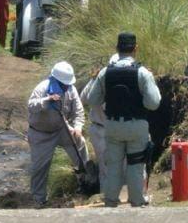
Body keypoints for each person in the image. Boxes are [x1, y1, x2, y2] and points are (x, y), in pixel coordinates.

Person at [87, 33, 161, 207]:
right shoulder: (142, 73)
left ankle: (111, 200)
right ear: (135, 49)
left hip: (112, 126)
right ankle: (137, 201)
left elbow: (92, 100)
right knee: (136, 164)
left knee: (113, 165)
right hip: (136, 125)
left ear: (116, 48)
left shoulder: (105, 73)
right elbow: (153, 104)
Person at [27, 61, 89, 206]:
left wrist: (78, 127)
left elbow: (78, 111)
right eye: (64, 84)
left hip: (62, 129)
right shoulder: (42, 88)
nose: (67, 86)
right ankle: (39, 199)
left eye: (68, 84)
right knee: (39, 167)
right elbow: (31, 106)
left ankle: (85, 183)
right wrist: (47, 100)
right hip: (40, 133)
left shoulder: (71, 90)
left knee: (80, 145)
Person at [79, 53, 120, 192]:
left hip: (99, 130)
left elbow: (82, 99)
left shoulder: (95, 80)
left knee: (106, 168)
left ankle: (108, 197)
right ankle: (109, 198)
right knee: (111, 168)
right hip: (108, 129)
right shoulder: (123, 81)